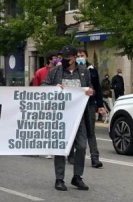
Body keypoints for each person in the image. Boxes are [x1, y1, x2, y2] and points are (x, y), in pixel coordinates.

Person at [43, 45, 95, 191]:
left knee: (82, 146)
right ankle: (59, 179)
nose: (65, 60)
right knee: (61, 148)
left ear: (74, 58)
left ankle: (77, 177)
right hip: (61, 117)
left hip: (78, 116)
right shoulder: (55, 72)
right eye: (63, 57)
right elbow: (43, 87)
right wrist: (53, 88)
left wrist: (90, 91)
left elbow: (90, 87)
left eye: (67, 57)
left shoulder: (84, 72)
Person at [72, 49, 105, 169]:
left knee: (91, 131)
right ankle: (72, 155)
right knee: (75, 130)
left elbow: (98, 88)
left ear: (86, 57)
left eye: (82, 55)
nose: (80, 57)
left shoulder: (92, 70)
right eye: (78, 56)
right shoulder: (72, 70)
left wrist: (100, 105)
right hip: (75, 105)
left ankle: (95, 158)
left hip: (89, 104)